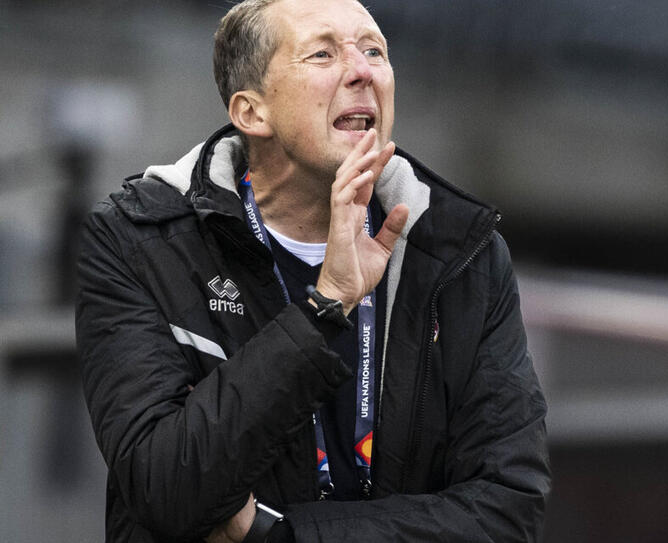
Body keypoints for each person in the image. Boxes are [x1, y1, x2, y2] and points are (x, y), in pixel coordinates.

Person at [75, 0, 550, 541]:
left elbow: (508, 512)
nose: (362, 71)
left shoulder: (461, 251)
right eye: (323, 54)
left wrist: (281, 535)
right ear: (252, 112)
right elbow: (164, 487)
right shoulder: (141, 239)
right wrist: (327, 305)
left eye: (374, 51)